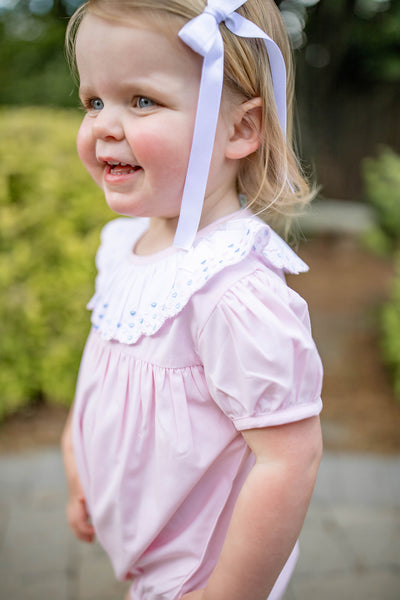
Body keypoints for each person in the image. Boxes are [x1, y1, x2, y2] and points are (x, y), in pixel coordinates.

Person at [61, 1, 323, 599]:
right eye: (94, 101)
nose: (103, 124)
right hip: (150, 555)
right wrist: (80, 462)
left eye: (142, 100)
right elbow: (105, 373)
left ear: (239, 129)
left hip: (201, 576)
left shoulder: (232, 291)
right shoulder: (125, 242)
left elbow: (289, 461)